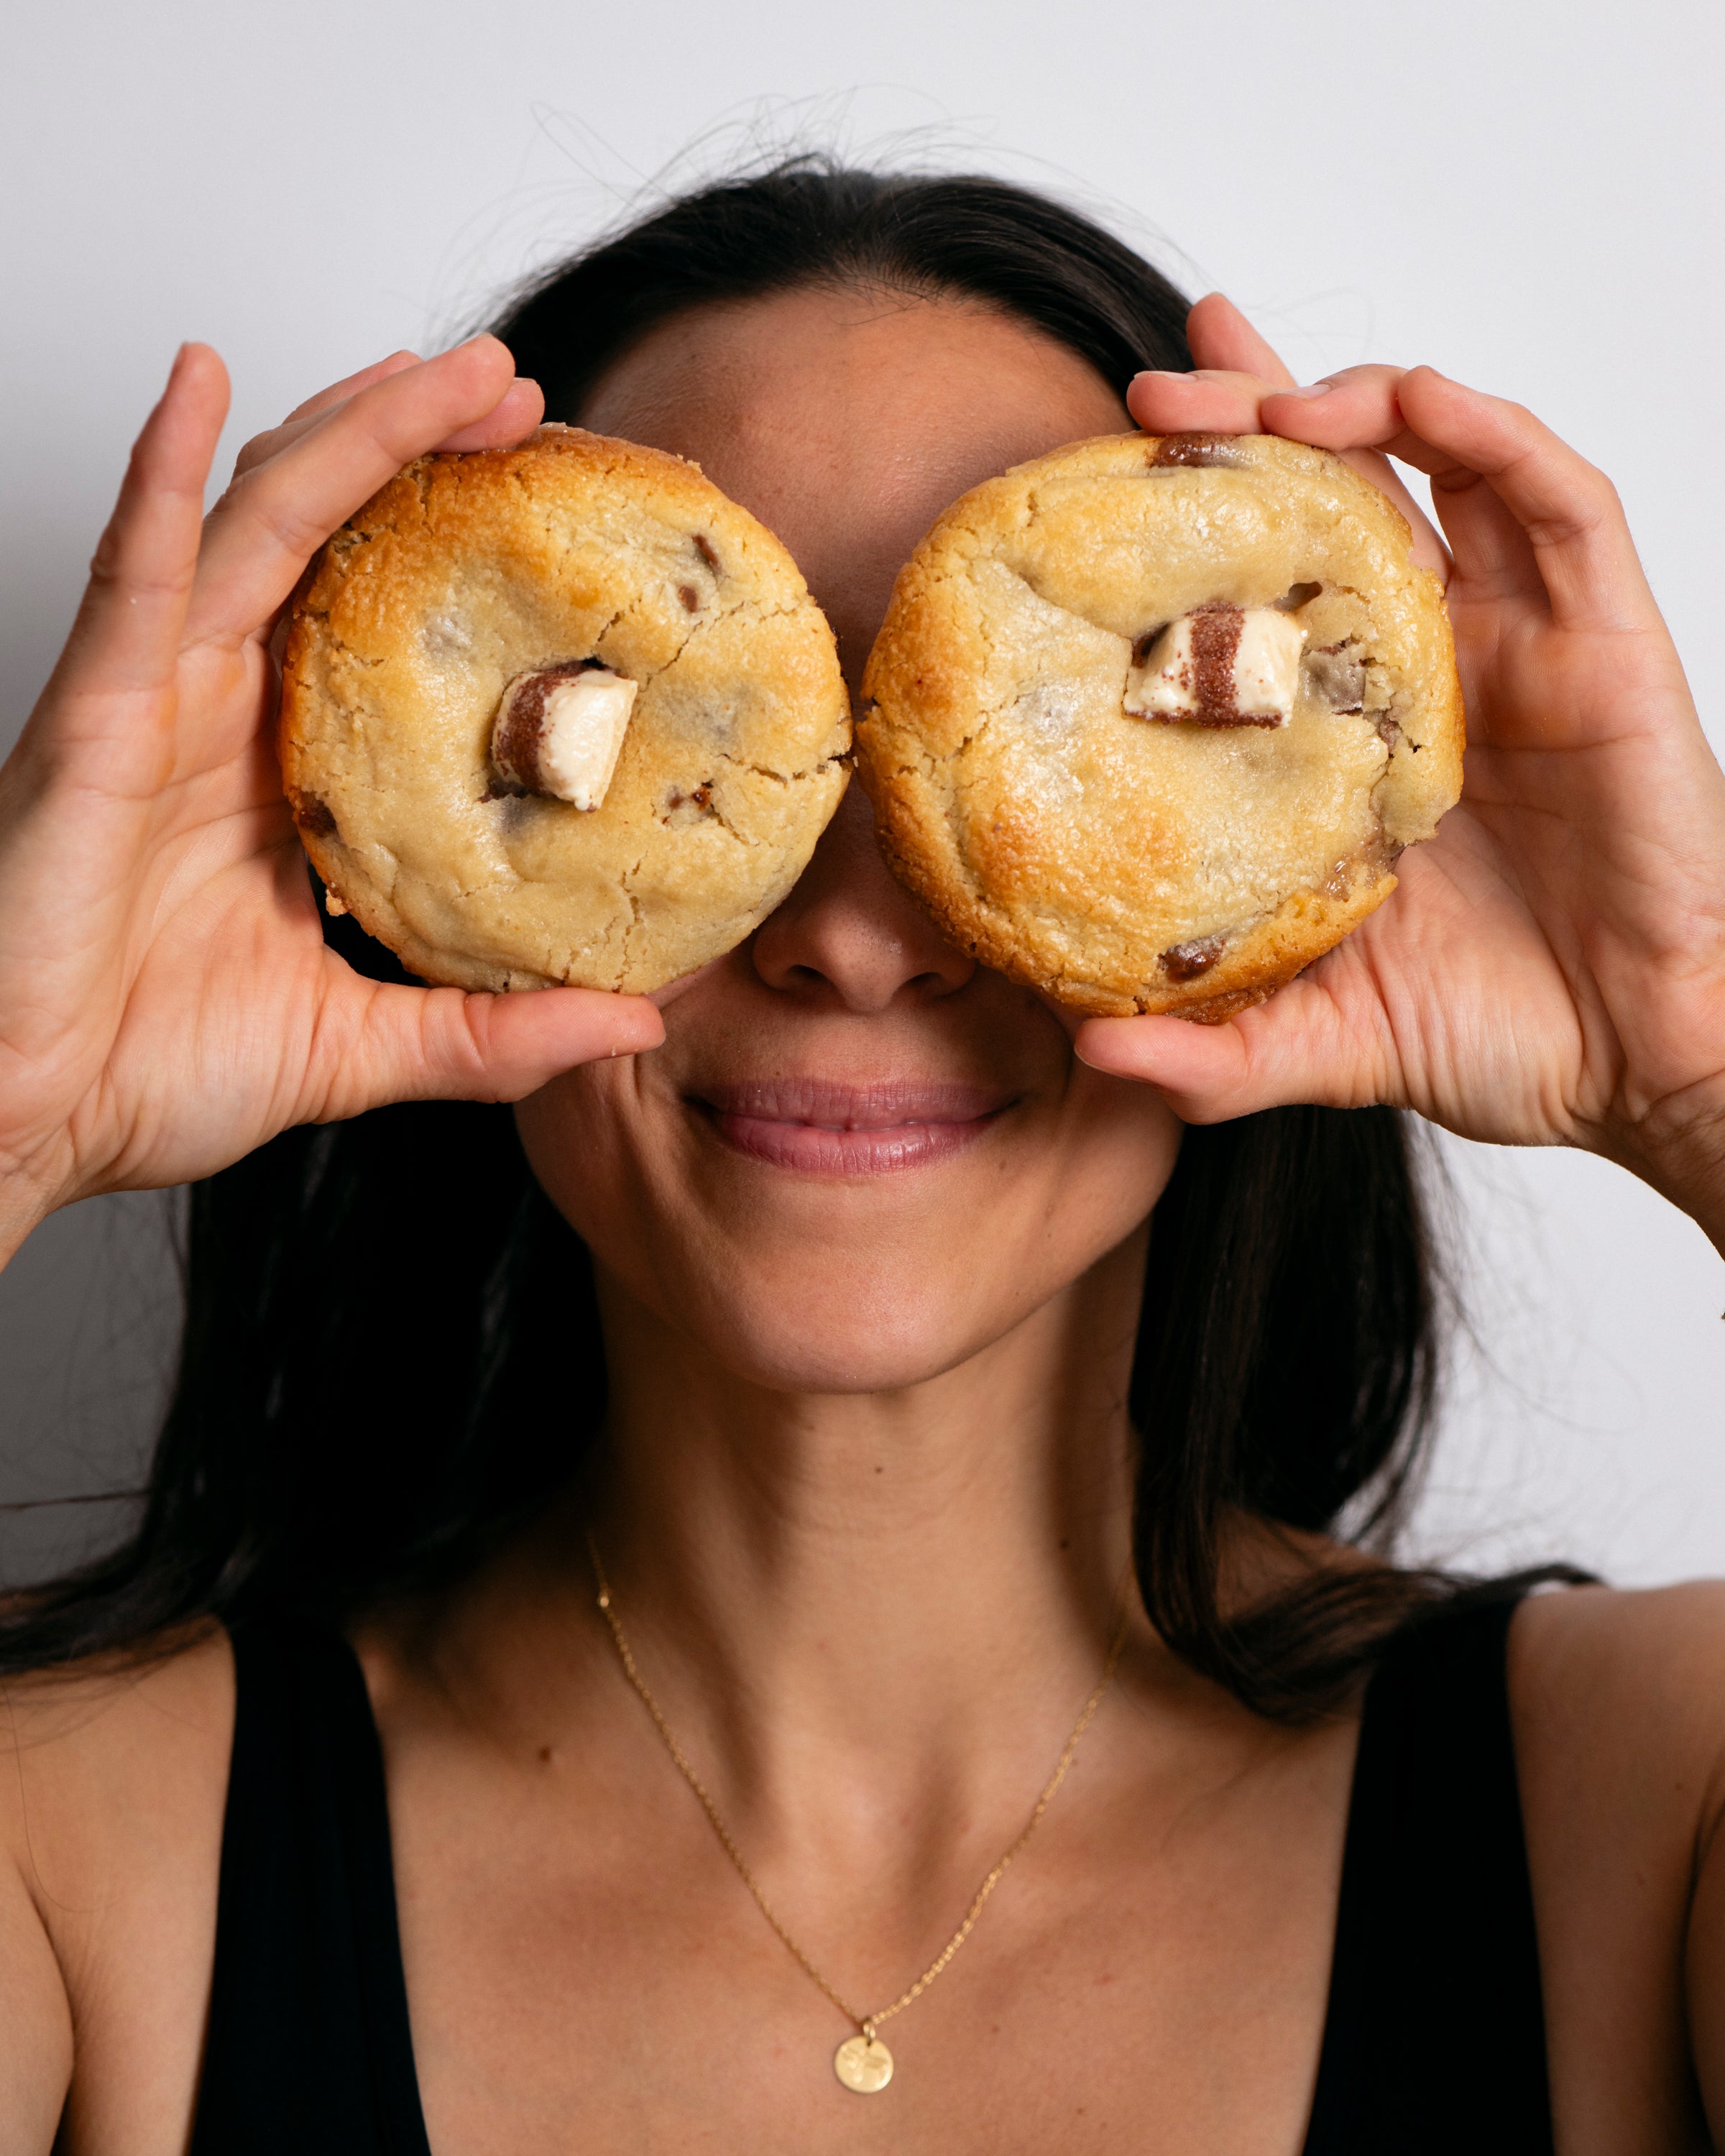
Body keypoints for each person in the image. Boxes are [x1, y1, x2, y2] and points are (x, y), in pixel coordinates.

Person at [1, 160, 1722, 2154]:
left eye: (967, 741)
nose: (850, 928)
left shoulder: (1644, 1798)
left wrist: (1692, 1066)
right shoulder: (76, 1857)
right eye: (722, 711)